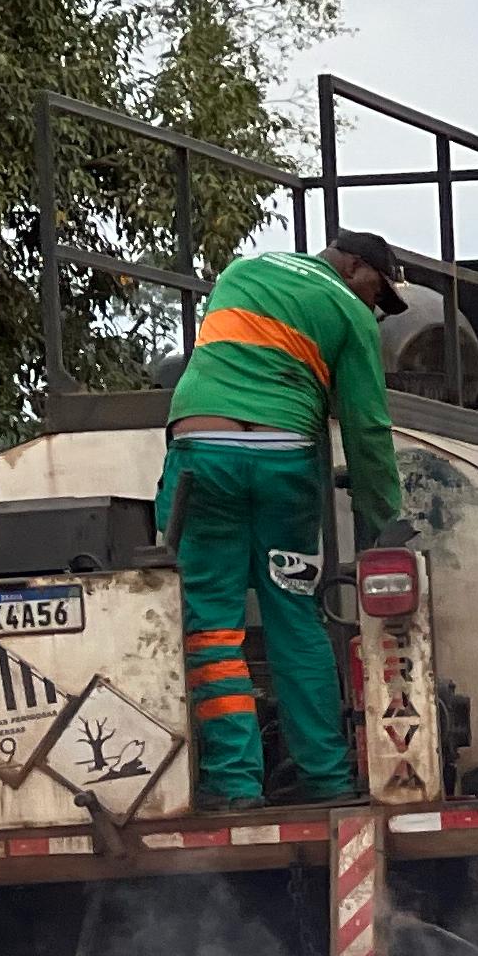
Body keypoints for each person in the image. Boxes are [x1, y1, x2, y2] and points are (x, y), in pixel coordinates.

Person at [158, 228, 407, 806]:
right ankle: (326, 777)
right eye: (378, 293)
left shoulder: (241, 272)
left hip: (202, 455)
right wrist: (384, 523)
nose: (376, 307)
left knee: (211, 626)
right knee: (293, 615)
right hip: (284, 462)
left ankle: (234, 783)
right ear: (353, 267)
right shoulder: (350, 312)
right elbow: (368, 427)